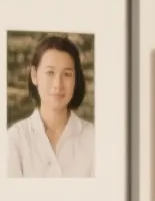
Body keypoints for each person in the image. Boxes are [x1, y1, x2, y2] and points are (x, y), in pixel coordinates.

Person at [7, 34, 96, 178]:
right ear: (34, 76)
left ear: (76, 80)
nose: (58, 84)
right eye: (50, 73)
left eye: (67, 74)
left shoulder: (94, 139)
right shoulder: (15, 139)